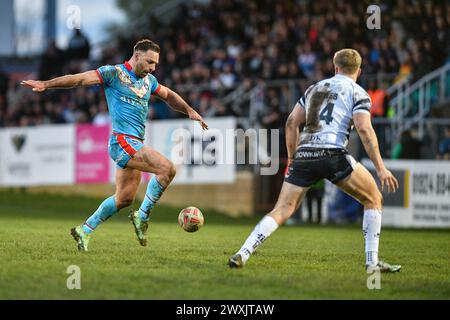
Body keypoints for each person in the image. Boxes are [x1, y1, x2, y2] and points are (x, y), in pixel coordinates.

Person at [22, 39, 208, 251]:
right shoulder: (114, 73)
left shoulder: (149, 81)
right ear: (136, 56)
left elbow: (170, 96)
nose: (152, 67)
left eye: (155, 63)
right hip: (122, 141)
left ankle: (85, 230)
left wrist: (190, 110)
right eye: (149, 62)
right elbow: (79, 79)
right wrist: (46, 84)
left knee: (124, 198)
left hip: (134, 143)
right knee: (168, 168)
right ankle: (143, 215)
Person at [228, 49, 401, 273]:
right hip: (333, 153)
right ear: (359, 70)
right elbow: (365, 130)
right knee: (373, 198)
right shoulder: (358, 93)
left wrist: (292, 158)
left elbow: (291, 122)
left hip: (305, 154)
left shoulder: (314, 88)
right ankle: (371, 263)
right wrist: (381, 168)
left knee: (281, 210)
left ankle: (243, 252)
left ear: (335, 67)